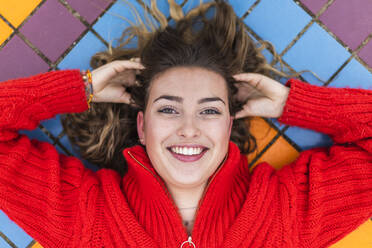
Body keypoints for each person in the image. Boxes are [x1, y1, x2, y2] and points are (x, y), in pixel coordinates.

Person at [0, 1, 371, 247]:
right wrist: (81, 89)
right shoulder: (85, 219)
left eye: (210, 111)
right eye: (168, 110)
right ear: (142, 127)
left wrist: (294, 103)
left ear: (229, 126)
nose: (189, 128)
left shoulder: (285, 216)